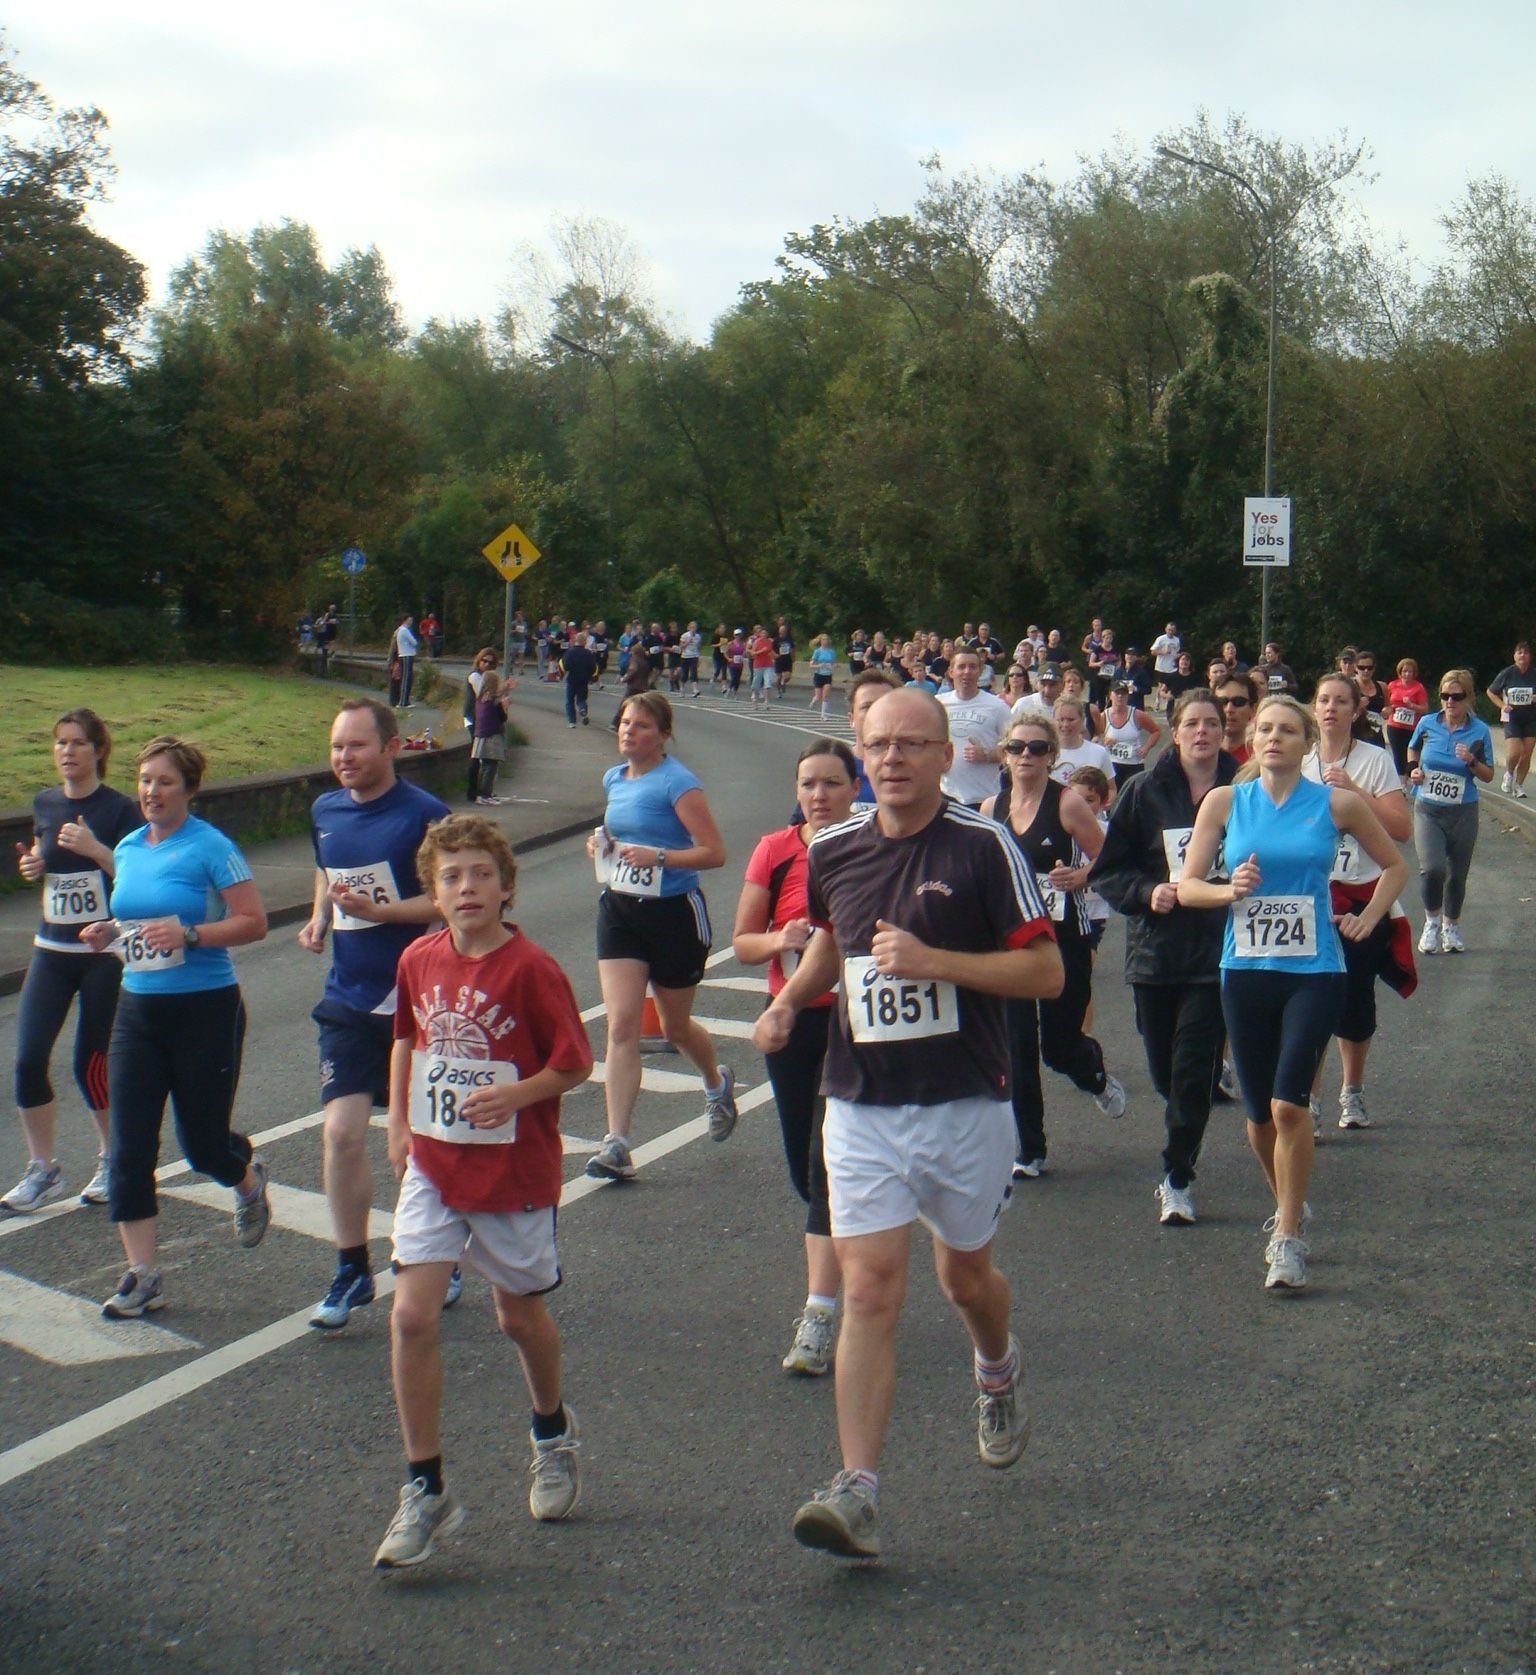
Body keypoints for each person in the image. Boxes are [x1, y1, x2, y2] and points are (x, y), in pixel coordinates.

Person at [753, 688, 1063, 1560]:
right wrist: (788, 1004)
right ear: (861, 751)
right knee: (871, 1289)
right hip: (859, 1102)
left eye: (911, 744)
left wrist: (935, 963)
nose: (892, 759)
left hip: (965, 1101)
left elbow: (1043, 973)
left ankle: (996, 1366)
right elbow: (830, 938)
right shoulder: (835, 850)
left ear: (944, 754)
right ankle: (858, 1487)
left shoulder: (982, 846)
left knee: (966, 1281)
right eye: (878, 745)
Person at [374, 815, 593, 1569]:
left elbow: (574, 1063)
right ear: (434, 893)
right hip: (436, 1166)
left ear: (506, 886)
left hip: (513, 1173)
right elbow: (406, 1036)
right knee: (409, 1316)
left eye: (480, 874)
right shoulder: (417, 959)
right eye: (451, 877)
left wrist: (518, 1094)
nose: (466, 887)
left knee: (517, 1317)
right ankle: (426, 1486)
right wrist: (399, 1120)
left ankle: (551, 1430)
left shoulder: (531, 969)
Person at [1175, 696, 1408, 1291]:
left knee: (1288, 1105)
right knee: (1257, 1116)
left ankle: (1287, 1236)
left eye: (1286, 730)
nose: (1273, 738)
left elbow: (1395, 866)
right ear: (1251, 739)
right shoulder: (1225, 802)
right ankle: (1289, 1203)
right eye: (1264, 729)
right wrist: (1230, 891)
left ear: (1306, 742)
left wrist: (1368, 918)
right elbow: (1188, 887)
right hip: (1246, 969)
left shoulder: (1336, 804)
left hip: (1315, 971)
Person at [79, 737, 271, 1317]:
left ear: (189, 789)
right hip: (138, 1011)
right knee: (130, 1149)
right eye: (143, 780)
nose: (151, 792)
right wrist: (109, 934)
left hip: (206, 1009)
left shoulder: (212, 848)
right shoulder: (130, 846)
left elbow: (254, 922)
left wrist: (191, 935)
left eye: (164, 782)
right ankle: (143, 1275)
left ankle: (246, 1182)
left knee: (203, 1147)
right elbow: (134, 917)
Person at [298, 698, 454, 1332]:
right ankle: (352, 1267)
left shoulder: (425, 815)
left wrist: (381, 912)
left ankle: (440, 1254)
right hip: (349, 994)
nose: (344, 759)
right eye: (337, 747)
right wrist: (320, 914)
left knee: (421, 1144)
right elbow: (325, 867)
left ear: (392, 747)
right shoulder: (325, 809)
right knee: (341, 1133)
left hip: (418, 998)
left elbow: (450, 902)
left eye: (356, 747)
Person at [733, 739, 858, 1375]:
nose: (818, 795)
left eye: (832, 783)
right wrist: (780, 938)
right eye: (808, 783)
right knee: (803, 1171)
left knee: (826, 1162)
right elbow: (742, 943)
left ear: (854, 789)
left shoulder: (871, 847)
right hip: (789, 1020)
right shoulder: (774, 851)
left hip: (855, 1023)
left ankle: (821, 1312)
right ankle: (852, 1260)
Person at [1088, 690, 1236, 1226]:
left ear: (1224, 732)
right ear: (1174, 733)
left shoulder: (1245, 790)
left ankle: (1177, 1176)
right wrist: (1149, 892)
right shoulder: (1143, 792)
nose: (1202, 732)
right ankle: (1182, 1123)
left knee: (1194, 1067)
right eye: (1191, 723)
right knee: (1165, 1070)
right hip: (1156, 950)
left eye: (1212, 724)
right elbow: (1108, 872)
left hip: (1220, 950)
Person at [584, 693, 737, 1181]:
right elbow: (618, 833)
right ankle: (617, 1143)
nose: (629, 732)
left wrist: (662, 858)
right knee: (623, 1026)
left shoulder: (678, 783)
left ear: (664, 735)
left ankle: (715, 1083)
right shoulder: (614, 778)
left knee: (674, 1028)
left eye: (643, 726)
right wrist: (599, 845)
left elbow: (714, 853)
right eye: (626, 723)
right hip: (621, 911)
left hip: (675, 914)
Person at [5, 711, 142, 1212]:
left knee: (91, 1062)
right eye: (60, 742)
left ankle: (112, 1157)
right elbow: (46, 864)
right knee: (27, 1060)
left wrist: (95, 849)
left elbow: (136, 871)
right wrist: (33, 865)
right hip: (51, 951)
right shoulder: (45, 803)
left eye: (78, 743)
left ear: (98, 751)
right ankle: (43, 1169)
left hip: (102, 953)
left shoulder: (119, 809)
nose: (67, 752)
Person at [981, 715, 1122, 1177]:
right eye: (1018, 747)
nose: (1027, 756)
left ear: (1051, 758)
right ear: (1004, 753)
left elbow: (1110, 860)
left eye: (1037, 749)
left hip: (1064, 939)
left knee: (1057, 1048)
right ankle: (1031, 1149)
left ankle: (1093, 1073)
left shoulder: (1067, 806)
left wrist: (1079, 877)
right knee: (1017, 1047)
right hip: (1013, 946)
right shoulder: (990, 809)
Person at [1301, 673, 1414, 1133]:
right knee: (1309, 1002)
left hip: (1363, 894)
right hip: (1310, 898)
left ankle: (1353, 1090)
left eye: (1340, 701)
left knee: (1354, 1003)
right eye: (1323, 700)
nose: (1330, 708)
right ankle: (1308, 1098)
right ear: (1313, 708)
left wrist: (1353, 790)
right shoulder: (1298, 761)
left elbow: (1401, 830)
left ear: (1355, 711)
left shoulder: (1374, 760)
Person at [1407, 669, 1494, 955]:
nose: (1450, 702)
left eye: (1456, 697)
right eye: (1445, 696)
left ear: (1468, 697)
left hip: (1463, 810)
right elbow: (1412, 750)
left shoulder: (1479, 731)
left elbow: (1488, 775)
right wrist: (1414, 771)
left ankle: (1451, 925)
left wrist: (1471, 761)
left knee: (1457, 874)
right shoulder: (1427, 723)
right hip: (1428, 808)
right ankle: (1431, 921)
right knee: (1432, 869)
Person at [938, 649, 1012, 808]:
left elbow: (1014, 750)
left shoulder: (997, 707)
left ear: (980, 672)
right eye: (961, 666)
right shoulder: (938, 704)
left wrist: (987, 755)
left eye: (972, 667)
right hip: (946, 795)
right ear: (951, 671)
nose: (967, 672)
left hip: (983, 799)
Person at [1487, 641, 1535, 798]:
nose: (1523, 655)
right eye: (1519, 652)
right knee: (1515, 752)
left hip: (1530, 718)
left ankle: (1519, 786)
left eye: (1526, 652)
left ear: (1530, 656)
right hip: (1511, 717)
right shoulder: (1507, 673)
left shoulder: (1534, 674)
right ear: (1514, 656)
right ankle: (1508, 773)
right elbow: (1491, 691)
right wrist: (1502, 705)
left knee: (1527, 753)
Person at [1098, 682, 1162, 787]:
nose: (1120, 696)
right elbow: (1095, 738)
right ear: (1110, 695)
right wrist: (1103, 740)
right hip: (1112, 764)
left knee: (1132, 797)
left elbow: (1156, 731)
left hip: (1133, 764)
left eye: (1123, 694)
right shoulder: (1103, 716)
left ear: (1127, 696)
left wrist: (1146, 748)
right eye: (1117, 693)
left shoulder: (1137, 715)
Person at [1048, 697, 1114, 792]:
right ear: (1053, 720)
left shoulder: (1099, 752)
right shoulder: (1044, 752)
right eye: (1061, 719)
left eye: (1071, 720)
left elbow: (1111, 789)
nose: (1066, 724)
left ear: (1082, 720)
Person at [1384, 657, 1429, 777]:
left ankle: (1410, 777)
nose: (1407, 674)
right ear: (1400, 672)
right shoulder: (1393, 685)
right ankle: (1401, 782)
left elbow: (1425, 708)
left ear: (1414, 673)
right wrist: (1390, 708)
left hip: (1412, 728)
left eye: (1410, 671)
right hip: (1394, 725)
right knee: (1398, 755)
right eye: (1405, 671)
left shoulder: (1418, 688)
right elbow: (1386, 703)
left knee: (1409, 755)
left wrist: (1412, 706)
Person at [470, 671, 509, 805]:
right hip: (492, 736)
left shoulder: (480, 699)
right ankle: (484, 795)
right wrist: (505, 707)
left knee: (485, 766)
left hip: (481, 735)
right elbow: (502, 718)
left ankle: (484, 794)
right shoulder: (495, 702)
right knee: (490, 766)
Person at [1216, 673, 1255, 765]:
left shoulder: (1259, 758)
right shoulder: (1200, 755)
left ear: (1253, 709)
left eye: (1238, 702)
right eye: (1222, 702)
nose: (1229, 709)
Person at [559, 633, 597, 728]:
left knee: (570, 700)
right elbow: (593, 667)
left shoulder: (570, 652)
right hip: (584, 680)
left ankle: (572, 722)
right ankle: (582, 709)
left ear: (576, 640)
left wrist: (562, 674)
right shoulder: (588, 653)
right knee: (581, 698)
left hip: (572, 679)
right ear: (584, 642)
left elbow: (566, 665)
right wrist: (590, 677)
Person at [388, 615, 419, 709]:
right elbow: (414, 642)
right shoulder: (404, 630)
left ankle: (403, 700)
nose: (411, 622)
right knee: (406, 679)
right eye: (410, 620)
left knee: (407, 678)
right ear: (405, 620)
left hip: (404, 655)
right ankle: (403, 702)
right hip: (406, 655)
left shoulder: (400, 631)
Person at [807, 634, 838, 720]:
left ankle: (824, 715)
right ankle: (813, 701)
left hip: (828, 675)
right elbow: (811, 665)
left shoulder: (832, 652)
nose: (825, 642)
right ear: (820, 641)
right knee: (818, 696)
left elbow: (835, 663)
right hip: (818, 675)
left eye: (827, 640)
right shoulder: (817, 652)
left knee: (825, 696)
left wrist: (834, 666)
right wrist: (819, 665)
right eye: (824, 640)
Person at [748, 625, 776, 709]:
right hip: (758, 665)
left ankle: (766, 702)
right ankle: (755, 701)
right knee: (757, 684)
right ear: (760, 634)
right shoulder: (756, 642)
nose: (764, 634)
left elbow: (771, 652)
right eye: (762, 633)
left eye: (765, 633)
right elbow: (752, 654)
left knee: (768, 683)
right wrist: (761, 651)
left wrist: (775, 656)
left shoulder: (769, 642)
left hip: (768, 665)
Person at [679, 621, 703, 698]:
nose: (693, 629)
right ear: (689, 628)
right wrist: (688, 642)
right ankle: (682, 689)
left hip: (694, 656)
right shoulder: (684, 636)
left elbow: (698, 647)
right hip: (685, 656)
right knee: (684, 675)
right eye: (692, 627)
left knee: (694, 673)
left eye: (695, 627)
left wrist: (699, 657)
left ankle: (695, 690)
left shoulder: (698, 636)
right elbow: (681, 646)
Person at [774, 617, 796, 699]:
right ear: (779, 631)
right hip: (779, 660)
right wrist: (774, 655)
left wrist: (793, 657)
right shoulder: (776, 640)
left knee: (788, 676)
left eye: (785, 631)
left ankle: (783, 683)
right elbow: (771, 650)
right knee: (779, 676)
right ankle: (778, 691)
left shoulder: (789, 639)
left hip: (788, 659)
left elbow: (793, 649)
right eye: (782, 631)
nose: (783, 632)